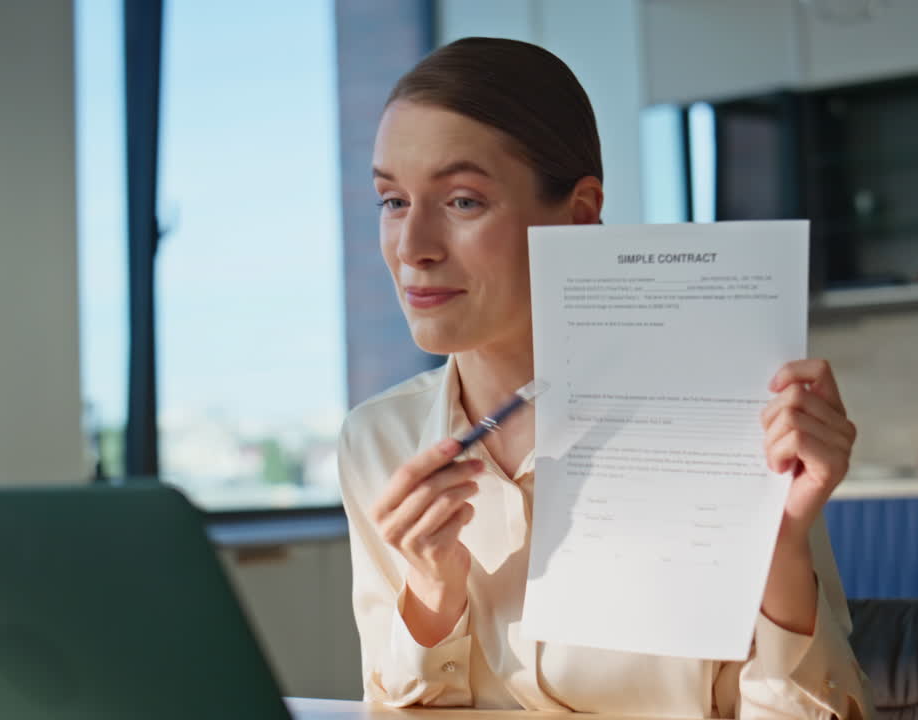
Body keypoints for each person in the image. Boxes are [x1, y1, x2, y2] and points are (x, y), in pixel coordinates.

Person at [337, 37, 872, 720]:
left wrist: (779, 552)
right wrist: (431, 597)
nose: (413, 248)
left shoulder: (733, 423)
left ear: (581, 214)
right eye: (392, 201)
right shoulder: (377, 443)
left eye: (463, 201)